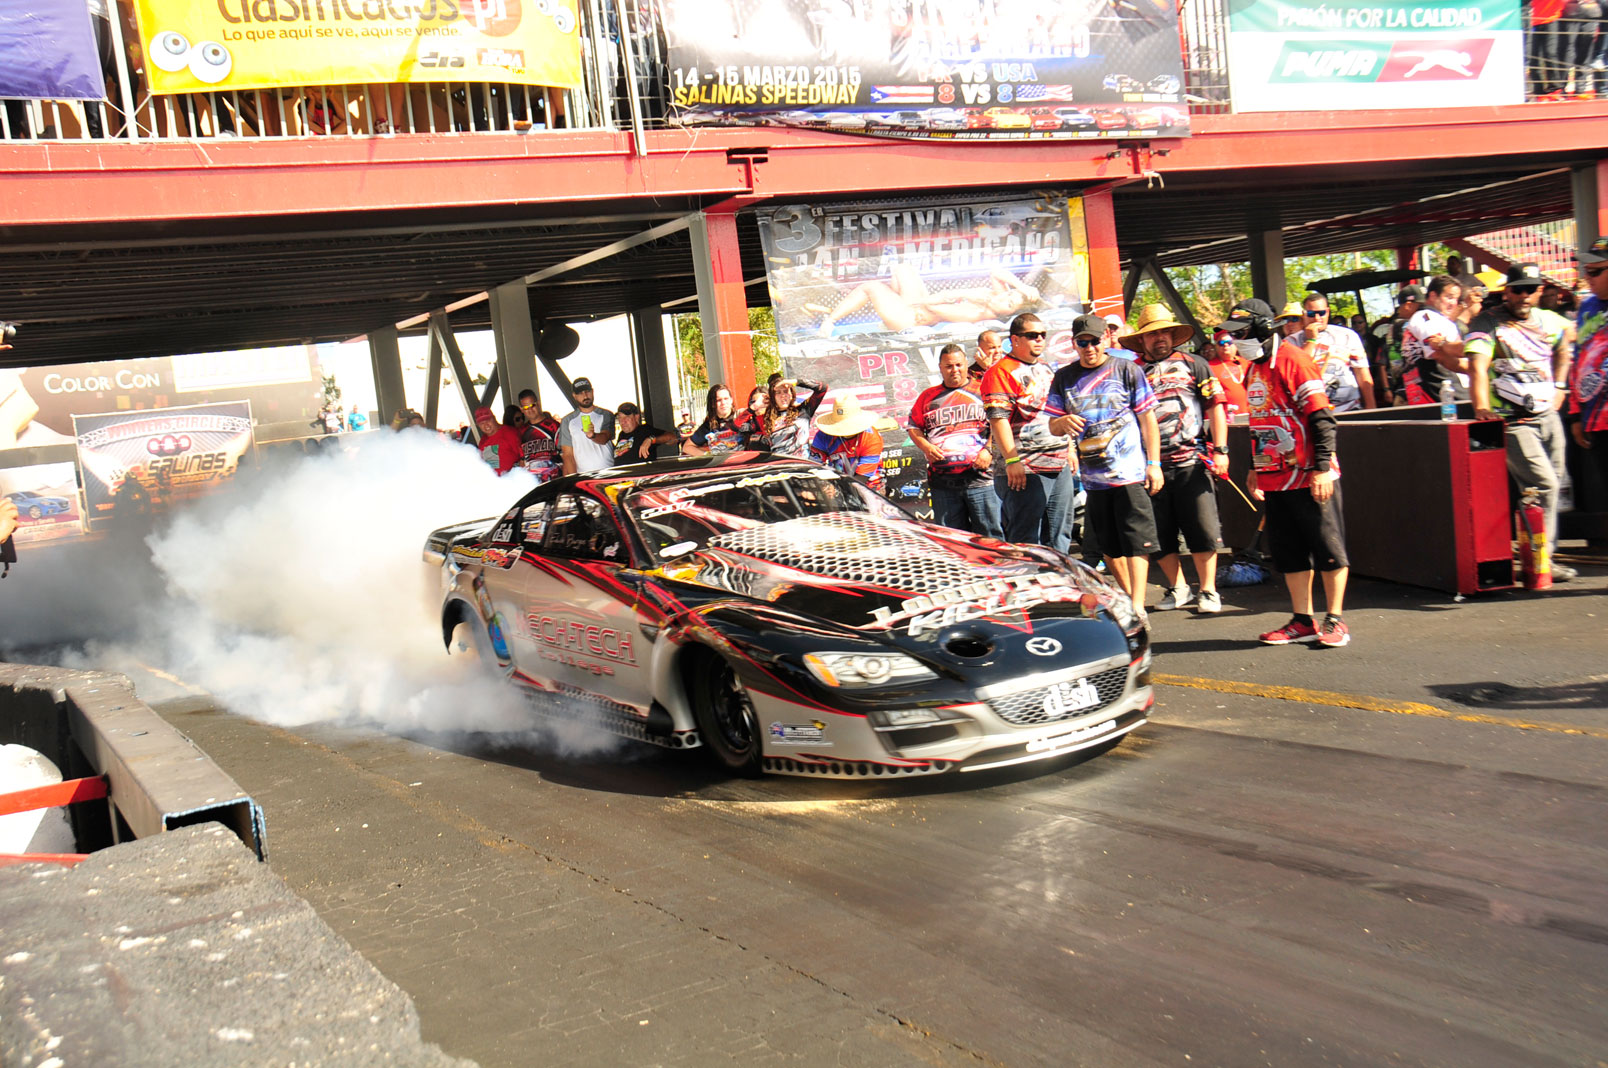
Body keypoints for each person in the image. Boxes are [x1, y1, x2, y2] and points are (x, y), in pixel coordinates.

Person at [1221, 299, 1350, 648]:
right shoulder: (1253, 369)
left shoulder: (1295, 362)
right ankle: (1302, 620)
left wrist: (1321, 469)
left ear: (1264, 329)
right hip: (1275, 477)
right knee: (1288, 551)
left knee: (1328, 548)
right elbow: (1261, 422)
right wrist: (1253, 467)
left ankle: (1335, 619)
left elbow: (1322, 420)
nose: (1235, 341)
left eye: (1242, 333)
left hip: (1309, 475)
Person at [1044, 313, 1162, 617]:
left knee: (1138, 542)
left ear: (1105, 340)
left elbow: (1148, 418)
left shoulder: (1127, 370)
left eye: (1094, 341)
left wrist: (1154, 463)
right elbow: (1053, 426)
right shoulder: (1064, 377)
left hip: (1130, 473)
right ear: (1074, 344)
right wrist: (1062, 422)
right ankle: (1127, 597)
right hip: (1094, 478)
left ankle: (1137, 603)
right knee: (1109, 547)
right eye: (1082, 343)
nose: (1089, 348)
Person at [1467, 263, 1577, 583]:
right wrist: (1482, 406)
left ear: (1540, 291)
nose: (1524, 296)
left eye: (1531, 289)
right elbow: (1477, 364)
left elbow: (1565, 346)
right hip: (1513, 421)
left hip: (1548, 415)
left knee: (1550, 488)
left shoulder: (1550, 321)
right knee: (1546, 485)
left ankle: (1539, 557)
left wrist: (1560, 386)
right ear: (1507, 291)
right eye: (1518, 289)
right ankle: (1542, 560)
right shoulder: (1488, 322)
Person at [1122, 304, 1227, 614]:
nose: (1160, 339)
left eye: (1165, 331)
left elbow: (1216, 406)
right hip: (1149, 466)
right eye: (1153, 334)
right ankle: (1178, 586)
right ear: (1141, 340)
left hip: (1192, 460)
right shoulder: (1133, 372)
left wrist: (1221, 450)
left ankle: (1207, 590)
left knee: (1202, 528)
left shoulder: (1195, 364)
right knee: (1157, 532)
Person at [982, 312, 1075, 549]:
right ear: (1015, 339)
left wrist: (1070, 449)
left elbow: (1059, 412)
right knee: (1026, 539)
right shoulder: (1000, 371)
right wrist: (1012, 459)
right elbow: (998, 419)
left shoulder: (1046, 368)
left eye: (1043, 335)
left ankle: (1060, 584)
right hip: (1026, 468)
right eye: (1032, 335)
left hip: (1058, 462)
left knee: (1060, 534)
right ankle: (1028, 583)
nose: (1039, 340)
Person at [908, 343, 1001, 537]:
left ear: (966, 364)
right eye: (949, 366)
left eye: (958, 365)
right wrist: (925, 446)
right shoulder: (927, 397)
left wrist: (989, 449)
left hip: (981, 480)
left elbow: (999, 421)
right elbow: (913, 426)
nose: (954, 370)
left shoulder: (983, 390)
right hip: (943, 484)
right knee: (952, 542)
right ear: (940, 368)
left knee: (991, 538)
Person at [816, 264, 1040, 336]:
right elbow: (996, 272)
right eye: (1009, 293)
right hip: (920, 305)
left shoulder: (978, 312)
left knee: (870, 287)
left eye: (1010, 302)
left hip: (911, 317)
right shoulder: (996, 299)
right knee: (903, 269)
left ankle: (831, 320)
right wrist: (1021, 287)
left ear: (1005, 313)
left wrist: (963, 294)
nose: (1005, 296)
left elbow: (930, 305)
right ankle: (887, 315)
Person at [1570, 237, 1608, 510]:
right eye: (1586, 270)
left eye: (1595, 271)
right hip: (1595, 418)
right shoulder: (1587, 307)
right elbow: (1577, 361)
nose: (1587, 277)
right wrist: (1575, 414)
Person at [1294, 292, 1376, 411]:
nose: (1317, 318)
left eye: (1321, 313)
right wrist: (1311, 340)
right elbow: (1297, 369)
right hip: (1312, 411)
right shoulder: (1292, 341)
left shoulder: (1348, 335)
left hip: (1349, 408)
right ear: (1304, 314)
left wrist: (1371, 407)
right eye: (1311, 314)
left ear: (1327, 312)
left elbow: (1362, 373)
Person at [1402, 276, 1466, 405]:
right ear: (1433, 296)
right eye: (1449, 297)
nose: (1453, 303)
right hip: (1440, 395)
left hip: (1445, 394)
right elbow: (1439, 353)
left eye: (1456, 299)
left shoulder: (1440, 319)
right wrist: (1477, 367)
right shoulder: (1426, 316)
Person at [809, 395, 885, 491]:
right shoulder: (823, 435)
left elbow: (863, 477)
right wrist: (824, 485)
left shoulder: (871, 437)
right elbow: (815, 464)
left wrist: (838, 488)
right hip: (838, 482)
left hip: (870, 486)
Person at [1371, 285, 1422, 404]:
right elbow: (1381, 366)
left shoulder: (1421, 334)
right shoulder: (1389, 342)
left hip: (1418, 388)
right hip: (1401, 389)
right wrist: (1386, 389)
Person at [558, 377, 617, 475]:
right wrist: (574, 480)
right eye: (580, 393)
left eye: (587, 391)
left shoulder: (606, 414)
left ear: (592, 392)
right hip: (584, 476)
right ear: (574, 396)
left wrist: (592, 435)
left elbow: (605, 438)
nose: (585, 395)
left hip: (608, 473)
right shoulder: (567, 421)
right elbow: (568, 455)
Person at [761, 373, 828, 457]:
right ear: (772, 397)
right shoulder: (766, 418)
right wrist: (753, 408)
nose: (782, 396)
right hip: (779, 467)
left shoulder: (803, 411)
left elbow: (822, 388)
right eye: (778, 392)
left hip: (802, 466)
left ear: (791, 394)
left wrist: (796, 382)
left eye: (785, 391)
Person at [684, 384, 753, 454]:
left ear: (731, 400)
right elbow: (687, 447)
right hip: (723, 464)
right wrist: (708, 456)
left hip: (744, 462)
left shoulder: (742, 416)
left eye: (726, 399)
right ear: (713, 404)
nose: (723, 403)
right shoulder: (709, 425)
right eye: (718, 400)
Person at [516, 389, 563, 483]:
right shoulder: (521, 432)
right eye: (525, 407)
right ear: (521, 410)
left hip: (554, 481)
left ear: (538, 404)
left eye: (532, 405)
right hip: (533, 484)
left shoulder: (554, 426)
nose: (530, 410)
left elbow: (566, 456)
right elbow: (522, 461)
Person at [613, 401, 679, 465]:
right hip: (623, 474)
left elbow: (672, 438)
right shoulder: (622, 434)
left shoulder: (645, 430)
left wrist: (651, 440)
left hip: (641, 474)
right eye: (620, 417)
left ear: (636, 417)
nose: (623, 421)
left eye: (627, 417)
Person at [1207, 327, 1250, 419]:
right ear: (1216, 346)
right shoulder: (1209, 367)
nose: (1226, 345)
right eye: (1221, 343)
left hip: (1249, 414)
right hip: (1226, 418)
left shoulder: (1247, 363)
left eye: (1230, 343)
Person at [472, 406, 524, 475]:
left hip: (514, 480)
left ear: (494, 418)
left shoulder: (511, 433)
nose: (486, 425)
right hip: (496, 482)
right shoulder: (483, 441)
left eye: (488, 420)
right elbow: (491, 466)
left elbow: (523, 459)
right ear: (478, 425)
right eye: (482, 423)